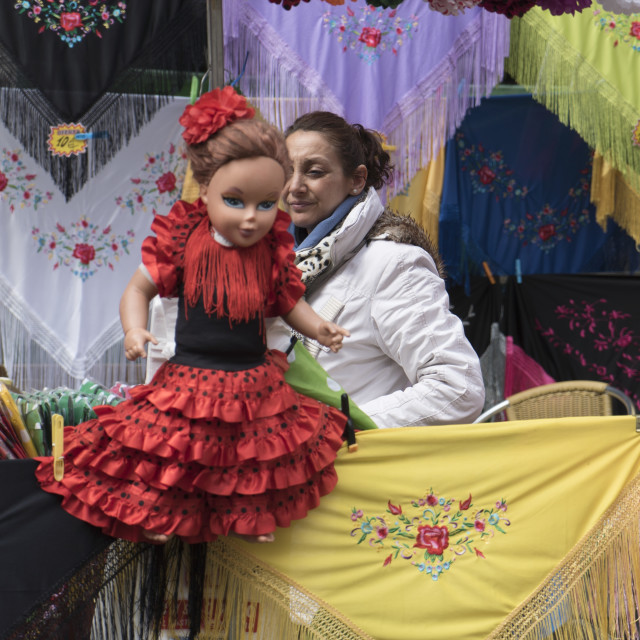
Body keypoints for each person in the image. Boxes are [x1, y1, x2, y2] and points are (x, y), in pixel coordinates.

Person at [34, 87, 350, 545]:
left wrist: (318, 325)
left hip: (252, 377)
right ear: (206, 191)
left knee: (249, 452)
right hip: (192, 373)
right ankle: (161, 515)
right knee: (179, 448)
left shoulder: (271, 250)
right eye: (235, 201)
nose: (251, 218)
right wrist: (134, 328)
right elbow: (137, 289)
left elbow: (287, 302)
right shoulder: (182, 239)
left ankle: (248, 518)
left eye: (266, 204)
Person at [267, 111, 485, 428]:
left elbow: (457, 387)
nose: (295, 186)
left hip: (351, 469)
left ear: (356, 180)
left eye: (314, 172)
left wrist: (340, 428)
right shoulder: (279, 263)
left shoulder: (393, 263)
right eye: (287, 171)